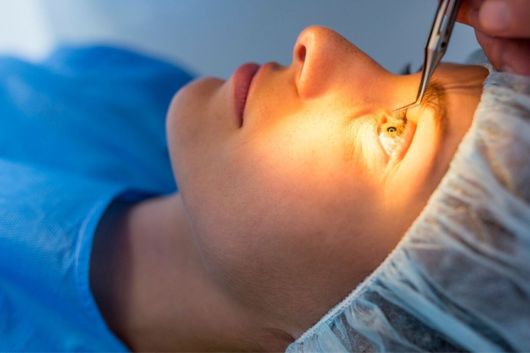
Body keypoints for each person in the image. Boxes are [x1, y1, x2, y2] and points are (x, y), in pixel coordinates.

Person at [0, 1, 528, 352]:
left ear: (370, 333)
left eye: (392, 134)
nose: (320, 43)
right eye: (406, 70)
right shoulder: (130, 97)